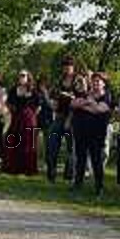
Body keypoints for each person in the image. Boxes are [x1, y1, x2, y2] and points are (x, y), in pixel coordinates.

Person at [70, 73, 112, 197]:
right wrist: (89, 104)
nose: (95, 83)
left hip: (97, 133)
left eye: (98, 81)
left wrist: (85, 104)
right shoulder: (86, 94)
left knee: (96, 160)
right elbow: (73, 104)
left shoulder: (107, 96)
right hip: (81, 131)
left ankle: (99, 187)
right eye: (93, 81)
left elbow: (100, 109)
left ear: (103, 83)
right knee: (80, 159)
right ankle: (78, 184)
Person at [46, 55, 76, 183]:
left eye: (69, 65)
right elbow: (53, 99)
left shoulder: (78, 80)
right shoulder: (59, 81)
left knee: (71, 148)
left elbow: (80, 98)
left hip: (73, 117)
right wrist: (51, 101)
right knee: (51, 144)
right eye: (64, 66)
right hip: (59, 117)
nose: (66, 68)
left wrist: (67, 95)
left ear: (73, 67)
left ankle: (68, 175)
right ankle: (51, 174)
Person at [5, 70, 40, 176]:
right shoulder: (13, 90)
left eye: (23, 75)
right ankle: (14, 167)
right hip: (16, 119)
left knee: (28, 143)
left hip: (29, 119)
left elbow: (38, 105)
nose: (21, 77)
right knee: (13, 141)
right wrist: (12, 110)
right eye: (20, 75)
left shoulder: (33, 91)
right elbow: (8, 103)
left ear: (28, 77)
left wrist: (32, 115)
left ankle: (28, 168)